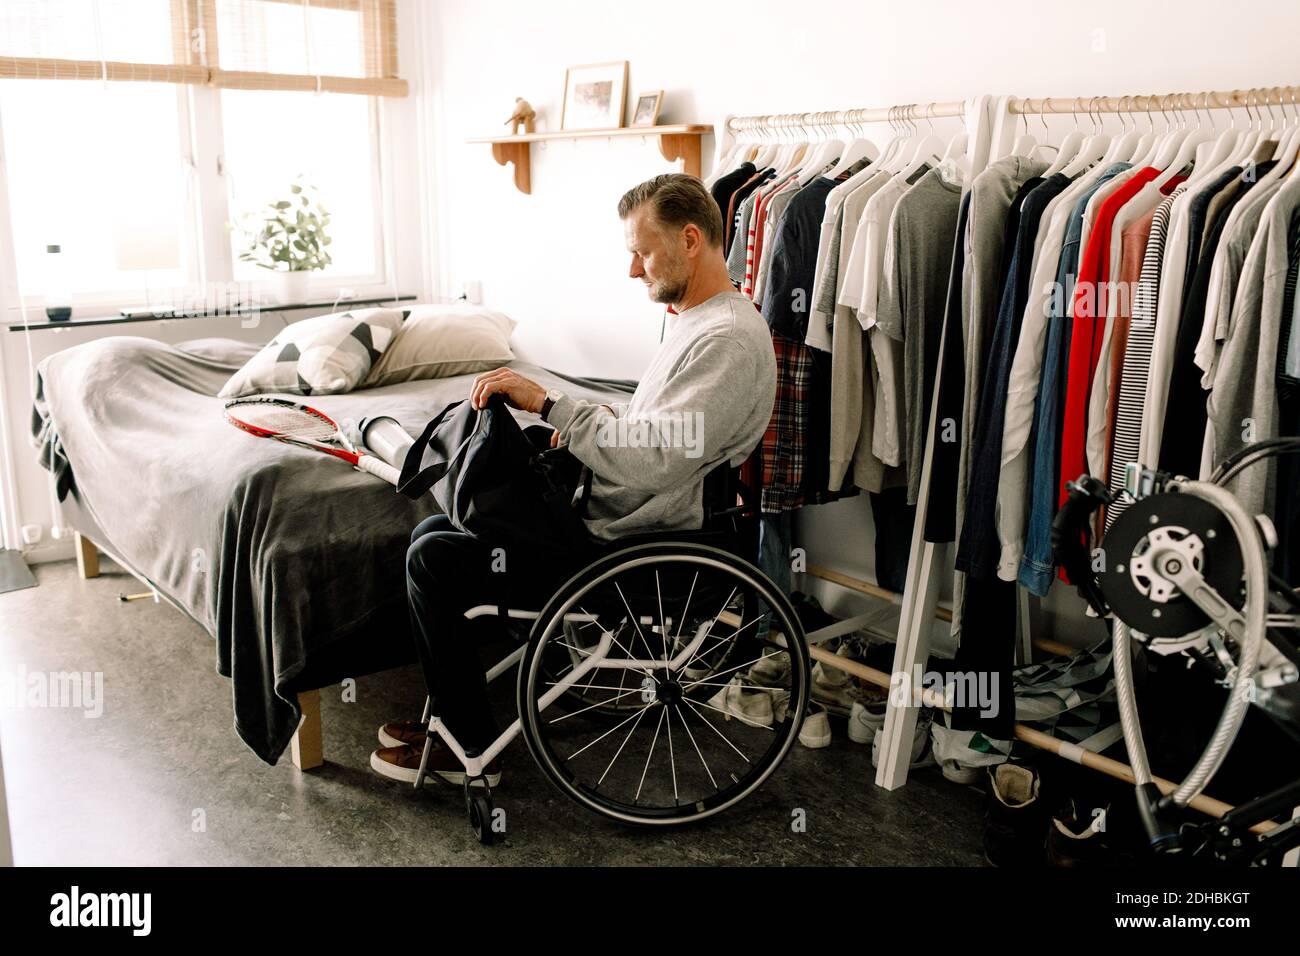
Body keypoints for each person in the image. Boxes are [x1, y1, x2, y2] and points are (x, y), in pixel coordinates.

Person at [370, 173, 777, 786]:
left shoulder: (725, 341)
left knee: (435, 558)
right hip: (616, 520)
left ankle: (466, 749)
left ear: (690, 239)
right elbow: (656, 430)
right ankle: (458, 728)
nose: (633, 271)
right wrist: (593, 425)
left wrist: (551, 404)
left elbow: (661, 457)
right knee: (437, 526)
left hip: (633, 548)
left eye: (641, 252)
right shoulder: (697, 321)